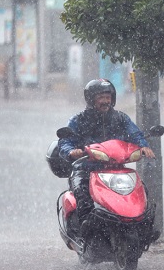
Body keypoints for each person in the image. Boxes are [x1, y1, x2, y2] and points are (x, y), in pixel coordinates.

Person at [58, 78, 156, 236]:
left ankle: (144, 228)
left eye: (108, 97)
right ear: (91, 99)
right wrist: (71, 151)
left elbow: (135, 133)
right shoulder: (78, 120)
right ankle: (86, 230)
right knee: (82, 193)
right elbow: (65, 142)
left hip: (116, 168)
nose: (105, 101)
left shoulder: (121, 118)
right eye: (101, 97)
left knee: (140, 190)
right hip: (87, 169)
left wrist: (143, 145)